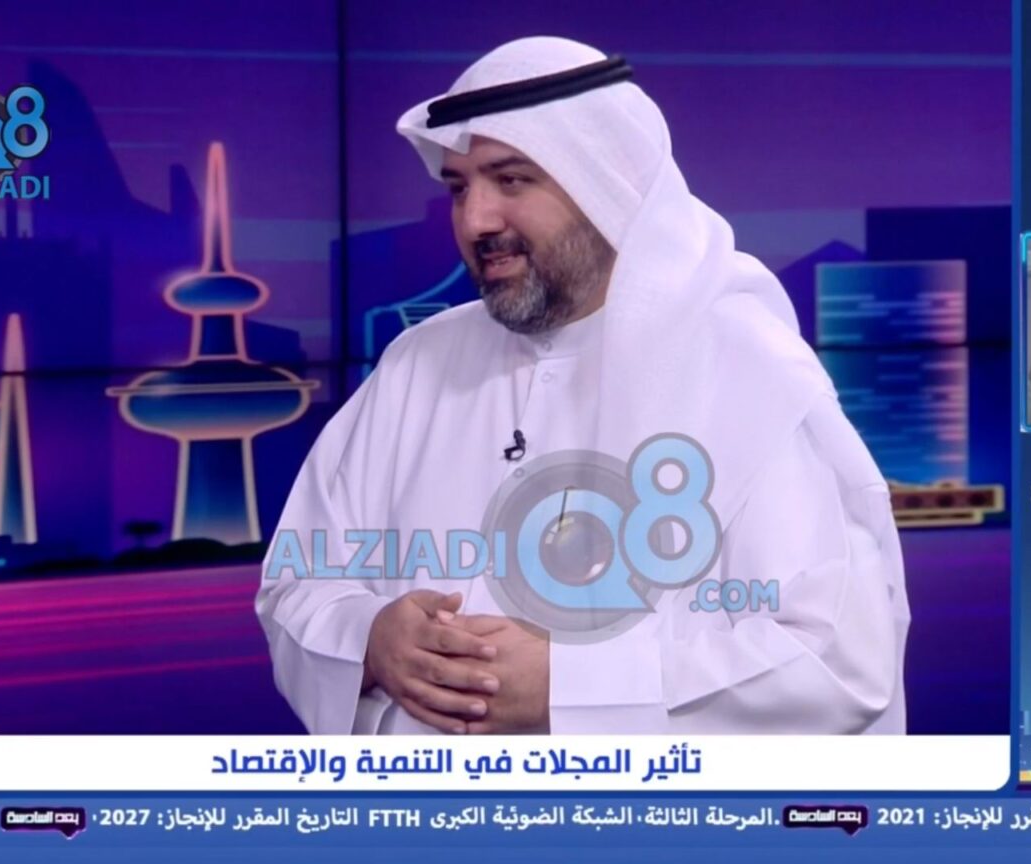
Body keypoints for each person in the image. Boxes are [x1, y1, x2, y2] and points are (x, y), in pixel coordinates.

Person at [256, 36, 909, 735]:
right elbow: (297, 582)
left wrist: (571, 688)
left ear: (606, 183)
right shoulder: (417, 364)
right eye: (458, 188)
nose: (475, 221)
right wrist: (370, 639)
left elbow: (835, 661)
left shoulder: (746, 369)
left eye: (512, 180)